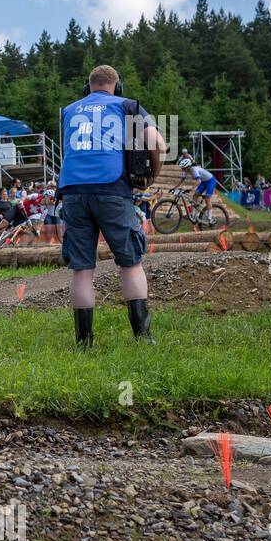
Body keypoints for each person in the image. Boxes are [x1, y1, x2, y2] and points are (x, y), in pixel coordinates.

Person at [58, 64, 164, 348]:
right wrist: (151, 175)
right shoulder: (127, 106)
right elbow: (158, 142)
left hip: (73, 190)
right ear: (117, 87)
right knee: (130, 263)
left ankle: (84, 343)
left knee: (81, 269)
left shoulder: (69, 110)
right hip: (112, 188)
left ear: (87, 87)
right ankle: (142, 338)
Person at [175, 155, 218, 222]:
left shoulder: (194, 169)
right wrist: (174, 188)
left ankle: (210, 218)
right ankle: (193, 214)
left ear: (188, 167)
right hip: (203, 182)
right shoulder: (185, 170)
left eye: (184, 168)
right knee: (195, 196)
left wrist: (191, 189)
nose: (183, 170)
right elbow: (182, 180)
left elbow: (198, 181)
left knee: (207, 198)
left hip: (210, 181)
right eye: (182, 168)